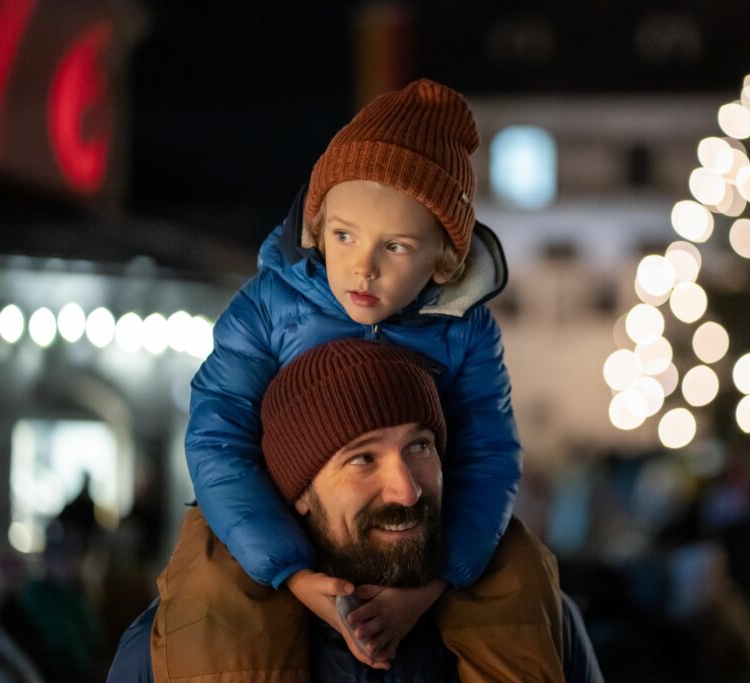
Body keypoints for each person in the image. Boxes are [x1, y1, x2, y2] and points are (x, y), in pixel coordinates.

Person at [182, 78, 550, 670]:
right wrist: (290, 570)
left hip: (420, 538)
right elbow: (216, 434)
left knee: (520, 592)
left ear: (446, 258)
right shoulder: (267, 308)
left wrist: (436, 583)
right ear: (316, 227)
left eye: (397, 246)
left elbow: (489, 453)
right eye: (344, 235)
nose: (363, 267)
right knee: (208, 620)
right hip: (272, 527)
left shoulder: (466, 329)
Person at [108, 339, 603, 682]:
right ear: (298, 492)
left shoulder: (542, 623)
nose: (406, 491)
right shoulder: (169, 647)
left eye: (421, 447)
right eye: (363, 458)